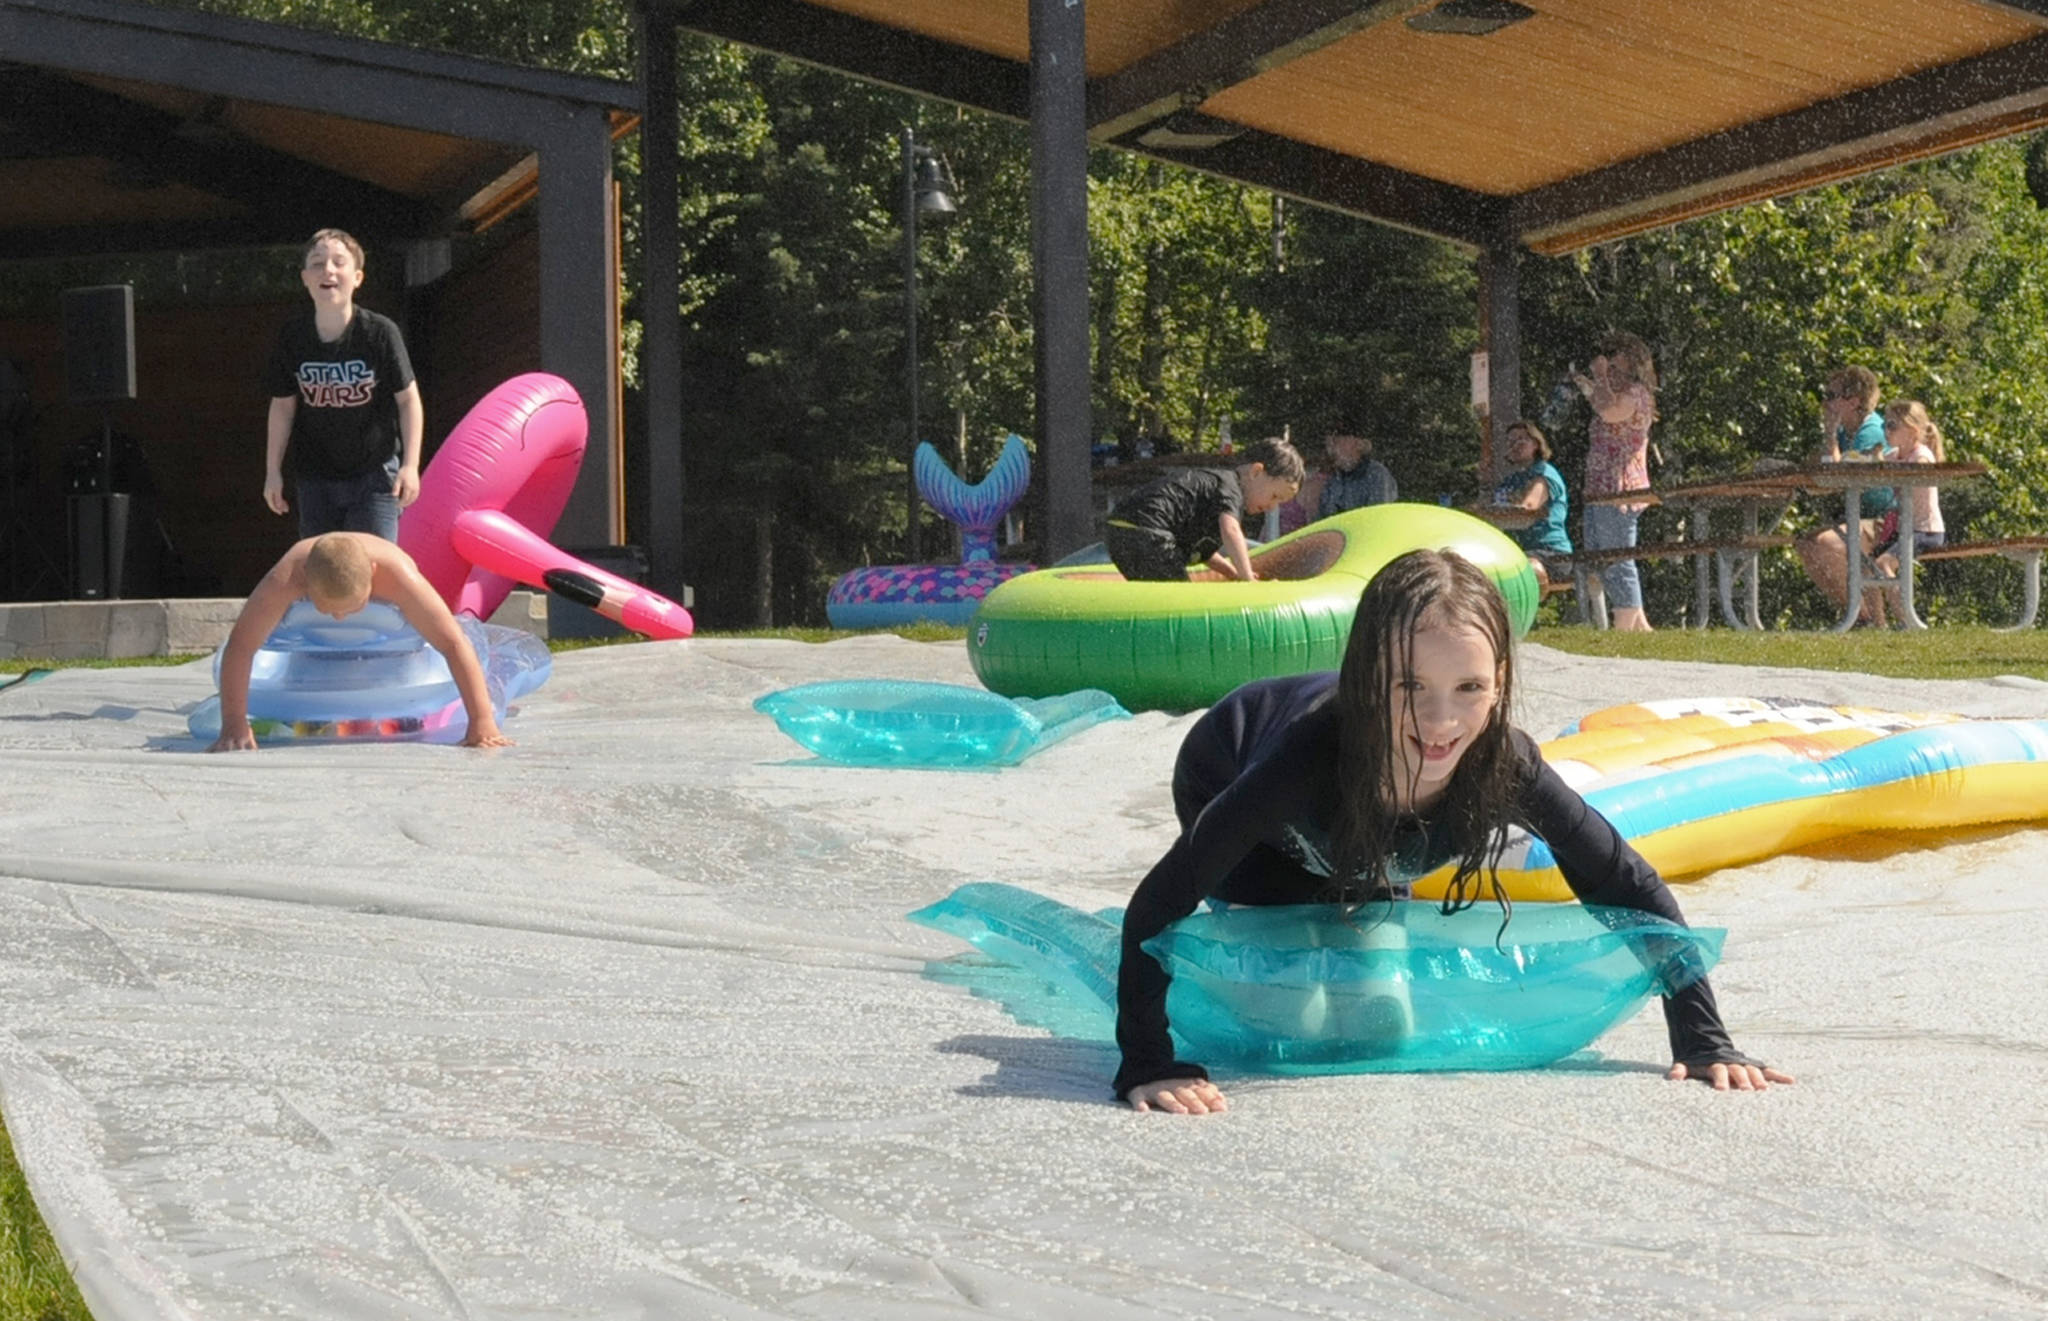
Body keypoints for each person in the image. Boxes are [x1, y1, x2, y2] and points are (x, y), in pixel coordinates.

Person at [1115, 549, 1793, 1114]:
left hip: (1367, 847)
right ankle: (1291, 911)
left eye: (1469, 687)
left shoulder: (1505, 759)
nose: (1441, 722)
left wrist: (1701, 1035)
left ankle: (1354, 899)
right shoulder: (1303, 760)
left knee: (1383, 1025)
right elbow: (1161, 899)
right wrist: (1148, 1061)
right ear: (1368, 678)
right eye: (1411, 685)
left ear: (1500, 683)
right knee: (1287, 1027)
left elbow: (1621, 878)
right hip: (1242, 796)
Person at [208, 532, 511, 752]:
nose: (340, 619)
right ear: (303, 580)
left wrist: (481, 719)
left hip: (391, 641)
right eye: (326, 609)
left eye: (352, 608)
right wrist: (234, 722)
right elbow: (242, 646)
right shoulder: (287, 577)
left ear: (374, 576)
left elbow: (453, 644)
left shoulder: (398, 576)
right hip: (311, 645)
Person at [263, 229, 424, 542]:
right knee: (323, 574)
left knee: (374, 568)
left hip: (374, 475)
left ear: (358, 277)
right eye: (318, 263)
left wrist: (410, 466)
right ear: (305, 278)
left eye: (339, 262)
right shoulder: (293, 337)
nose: (329, 271)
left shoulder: (380, 333)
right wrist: (272, 472)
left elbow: (408, 400)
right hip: (315, 477)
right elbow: (282, 405)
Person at [1104, 437, 1304, 583]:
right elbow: (1231, 531)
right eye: (1275, 496)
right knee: (1182, 605)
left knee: (1158, 597)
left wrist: (1233, 573)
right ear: (1256, 472)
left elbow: (1204, 553)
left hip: (1118, 532)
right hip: (1148, 531)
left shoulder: (1210, 497)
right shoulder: (1231, 487)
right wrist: (1247, 580)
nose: (1272, 507)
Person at [1793, 366, 1895, 626]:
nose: (1824, 402)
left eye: (1831, 395)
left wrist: (1829, 435)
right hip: (1860, 519)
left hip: (1887, 521)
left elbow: (1840, 476)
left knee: (1822, 545)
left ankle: (1863, 618)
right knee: (1806, 543)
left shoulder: (1872, 432)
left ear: (1853, 401)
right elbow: (1820, 465)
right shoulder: (1846, 431)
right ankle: (1867, 620)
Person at [1573, 333, 1659, 632]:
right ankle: (1639, 625)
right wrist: (1586, 381)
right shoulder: (1612, 391)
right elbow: (1598, 400)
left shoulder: (1635, 394)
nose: (1610, 372)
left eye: (1615, 367)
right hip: (1601, 488)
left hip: (1620, 488)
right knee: (1602, 555)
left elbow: (1608, 411)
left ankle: (1625, 622)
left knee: (1617, 556)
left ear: (1632, 367)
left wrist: (1597, 377)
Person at [1490, 419, 1573, 590]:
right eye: (1511, 442)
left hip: (1552, 554)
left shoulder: (1545, 473)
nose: (1516, 445)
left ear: (1535, 443)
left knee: (1509, 570)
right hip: (1519, 552)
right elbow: (1494, 505)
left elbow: (1529, 506)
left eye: (1522, 439)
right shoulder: (1511, 481)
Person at [1871, 400, 1946, 584]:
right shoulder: (1895, 455)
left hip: (1925, 531)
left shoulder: (1922, 456)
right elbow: (1877, 464)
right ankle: (1875, 614)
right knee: (1866, 566)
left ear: (1912, 431)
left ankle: (1904, 613)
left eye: (1892, 426)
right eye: (1884, 425)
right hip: (1905, 530)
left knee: (1883, 564)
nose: (1886, 431)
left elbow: (1916, 473)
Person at [1315, 431, 1398, 518]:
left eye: (1337, 441)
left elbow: (1377, 518)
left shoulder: (1376, 475)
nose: (1331, 449)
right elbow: (1324, 518)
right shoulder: (1335, 479)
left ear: (1359, 444)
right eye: (1329, 443)